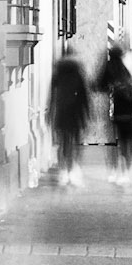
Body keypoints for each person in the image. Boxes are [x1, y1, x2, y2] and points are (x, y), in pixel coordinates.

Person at [96, 39, 132, 185]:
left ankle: (114, 170)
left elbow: (98, 84)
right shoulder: (126, 69)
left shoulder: (109, 67)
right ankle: (126, 171)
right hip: (129, 112)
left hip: (115, 111)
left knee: (113, 142)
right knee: (127, 142)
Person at [46, 48, 91, 188]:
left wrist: (50, 112)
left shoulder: (58, 73)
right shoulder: (78, 73)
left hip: (61, 112)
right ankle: (73, 169)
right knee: (75, 142)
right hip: (75, 112)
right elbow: (84, 97)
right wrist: (87, 114)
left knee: (62, 142)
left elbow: (52, 96)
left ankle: (63, 170)